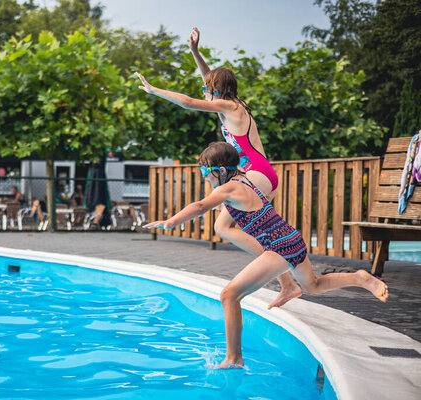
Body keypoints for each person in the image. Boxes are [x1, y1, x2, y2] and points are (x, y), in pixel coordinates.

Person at [144, 142, 388, 369]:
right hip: (292, 239)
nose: (205, 178)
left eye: (204, 172)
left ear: (218, 171)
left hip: (279, 246)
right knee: (313, 286)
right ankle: (359, 278)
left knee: (229, 296)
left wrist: (171, 221)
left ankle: (233, 358)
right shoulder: (247, 181)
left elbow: (199, 207)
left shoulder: (230, 187)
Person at [134, 27, 302, 309]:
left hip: (256, 173)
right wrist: (195, 52)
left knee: (223, 225)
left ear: (217, 91)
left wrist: (154, 90)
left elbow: (189, 103)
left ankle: (283, 274)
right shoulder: (230, 103)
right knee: (248, 227)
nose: (204, 91)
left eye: (207, 89)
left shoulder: (230, 107)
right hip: (260, 173)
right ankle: (287, 281)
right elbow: (208, 79)